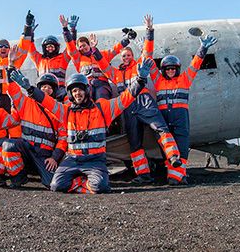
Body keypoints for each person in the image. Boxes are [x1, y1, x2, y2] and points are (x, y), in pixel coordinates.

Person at [12, 58, 154, 194]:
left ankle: (85, 183)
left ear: (87, 90)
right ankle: (85, 183)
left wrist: (140, 80)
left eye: (80, 89)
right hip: (73, 159)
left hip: (95, 160)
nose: (77, 93)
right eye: (74, 91)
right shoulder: (66, 111)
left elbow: (125, 98)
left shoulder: (103, 109)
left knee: (101, 187)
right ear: (70, 94)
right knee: (56, 185)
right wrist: (29, 88)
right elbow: (47, 101)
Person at [104, 14, 182, 184]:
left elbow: (148, 51)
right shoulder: (115, 73)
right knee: (134, 141)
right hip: (128, 106)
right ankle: (143, 174)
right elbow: (102, 63)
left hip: (144, 101)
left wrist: (149, 30)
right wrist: (99, 48)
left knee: (160, 128)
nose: (126, 58)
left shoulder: (139, 64)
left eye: (128, 55)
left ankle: (173, 156)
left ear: (132, 56)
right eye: (124, 56)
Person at [147, 33, 217, 184]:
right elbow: (150, 63)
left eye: (173, 69)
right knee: (166, 149)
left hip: (180, 117)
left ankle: (177, 176)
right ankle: (175, 176)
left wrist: (203, 48)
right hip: (164, 118)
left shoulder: (185, 79)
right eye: (167, 69)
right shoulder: (158, 80)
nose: (170, 71)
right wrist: (147, 42)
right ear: (163, 70)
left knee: (182, 147)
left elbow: (195, 65)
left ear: (177, 69)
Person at [3, 49, 64, 188]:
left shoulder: (58, 109)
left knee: (53, 184)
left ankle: (42, 173)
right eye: (44, 87)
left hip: (44, 155)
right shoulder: (26, 103)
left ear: (54, 91)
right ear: (38, 89)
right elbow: (13, 90)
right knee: (9, 145)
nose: (46, 89)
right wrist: (11, 65)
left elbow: (63, 138)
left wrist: (54, 158)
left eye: (50, 88)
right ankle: (18, 178)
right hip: (26, 148)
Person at [63, 14, 136, 100]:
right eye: (80, 47)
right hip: (87, 85)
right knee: (87, 100)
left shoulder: (101, 54)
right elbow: (71, 48)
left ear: (89, 45)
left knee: (101, 99)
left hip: (102, 84)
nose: (83, 48)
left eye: (84, 45)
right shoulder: (78, 58)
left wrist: (127, 39)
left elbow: (115, 50)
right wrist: (69, 30)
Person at [18, 11, 71, 100]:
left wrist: (67, 30)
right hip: (43, 89)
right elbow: (30, 48)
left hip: (59, 90)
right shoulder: (39, 59)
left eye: (52, 46)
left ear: (56, 47)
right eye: (48, 46)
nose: (50, 48)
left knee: (66, 99)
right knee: (32, 98)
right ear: (44, 48)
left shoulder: (63, 58)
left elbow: (71, 47)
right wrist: (29, 32)